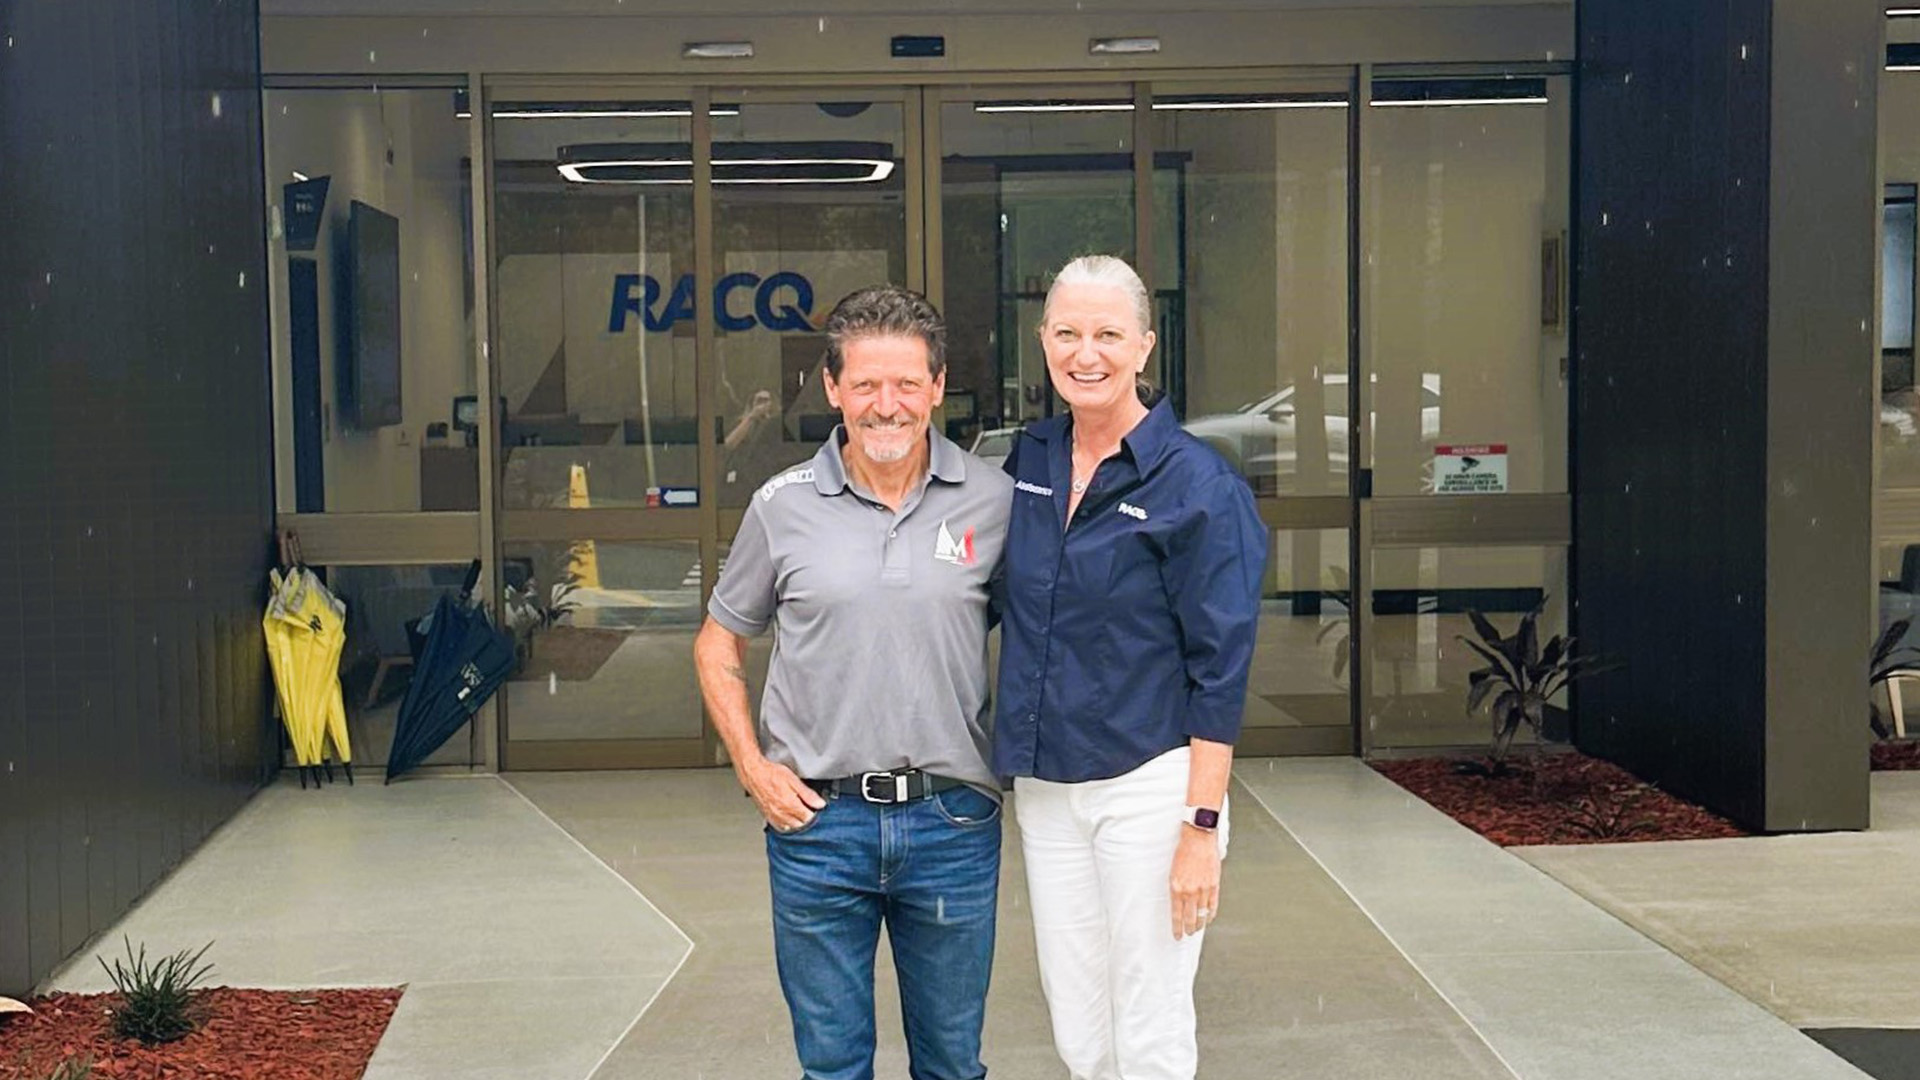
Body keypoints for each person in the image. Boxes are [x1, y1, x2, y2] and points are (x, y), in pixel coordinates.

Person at [693, 284, 1013, 1080]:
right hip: (817, 830)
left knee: (952, 1066)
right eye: (865, 385)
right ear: (833, 388)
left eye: (907, 384)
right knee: (832, 1068)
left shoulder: (996, 501)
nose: (887, 405)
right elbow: (716, 643)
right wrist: (751, 766)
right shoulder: (782, 506)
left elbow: (1054, 636)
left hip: (952, 827)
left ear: (938, 387)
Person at [994, 255, 1267, 1080]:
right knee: (1077, 1020)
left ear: (1145, 345)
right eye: (1068, 332)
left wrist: (1201, 828)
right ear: (1042, 341)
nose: (1088, 353)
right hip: (1047, 789)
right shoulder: (1026, 465)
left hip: (1149, 786)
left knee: (1147, 1025)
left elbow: (1219, 672)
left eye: (1109, 334)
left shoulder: (1199, 485)